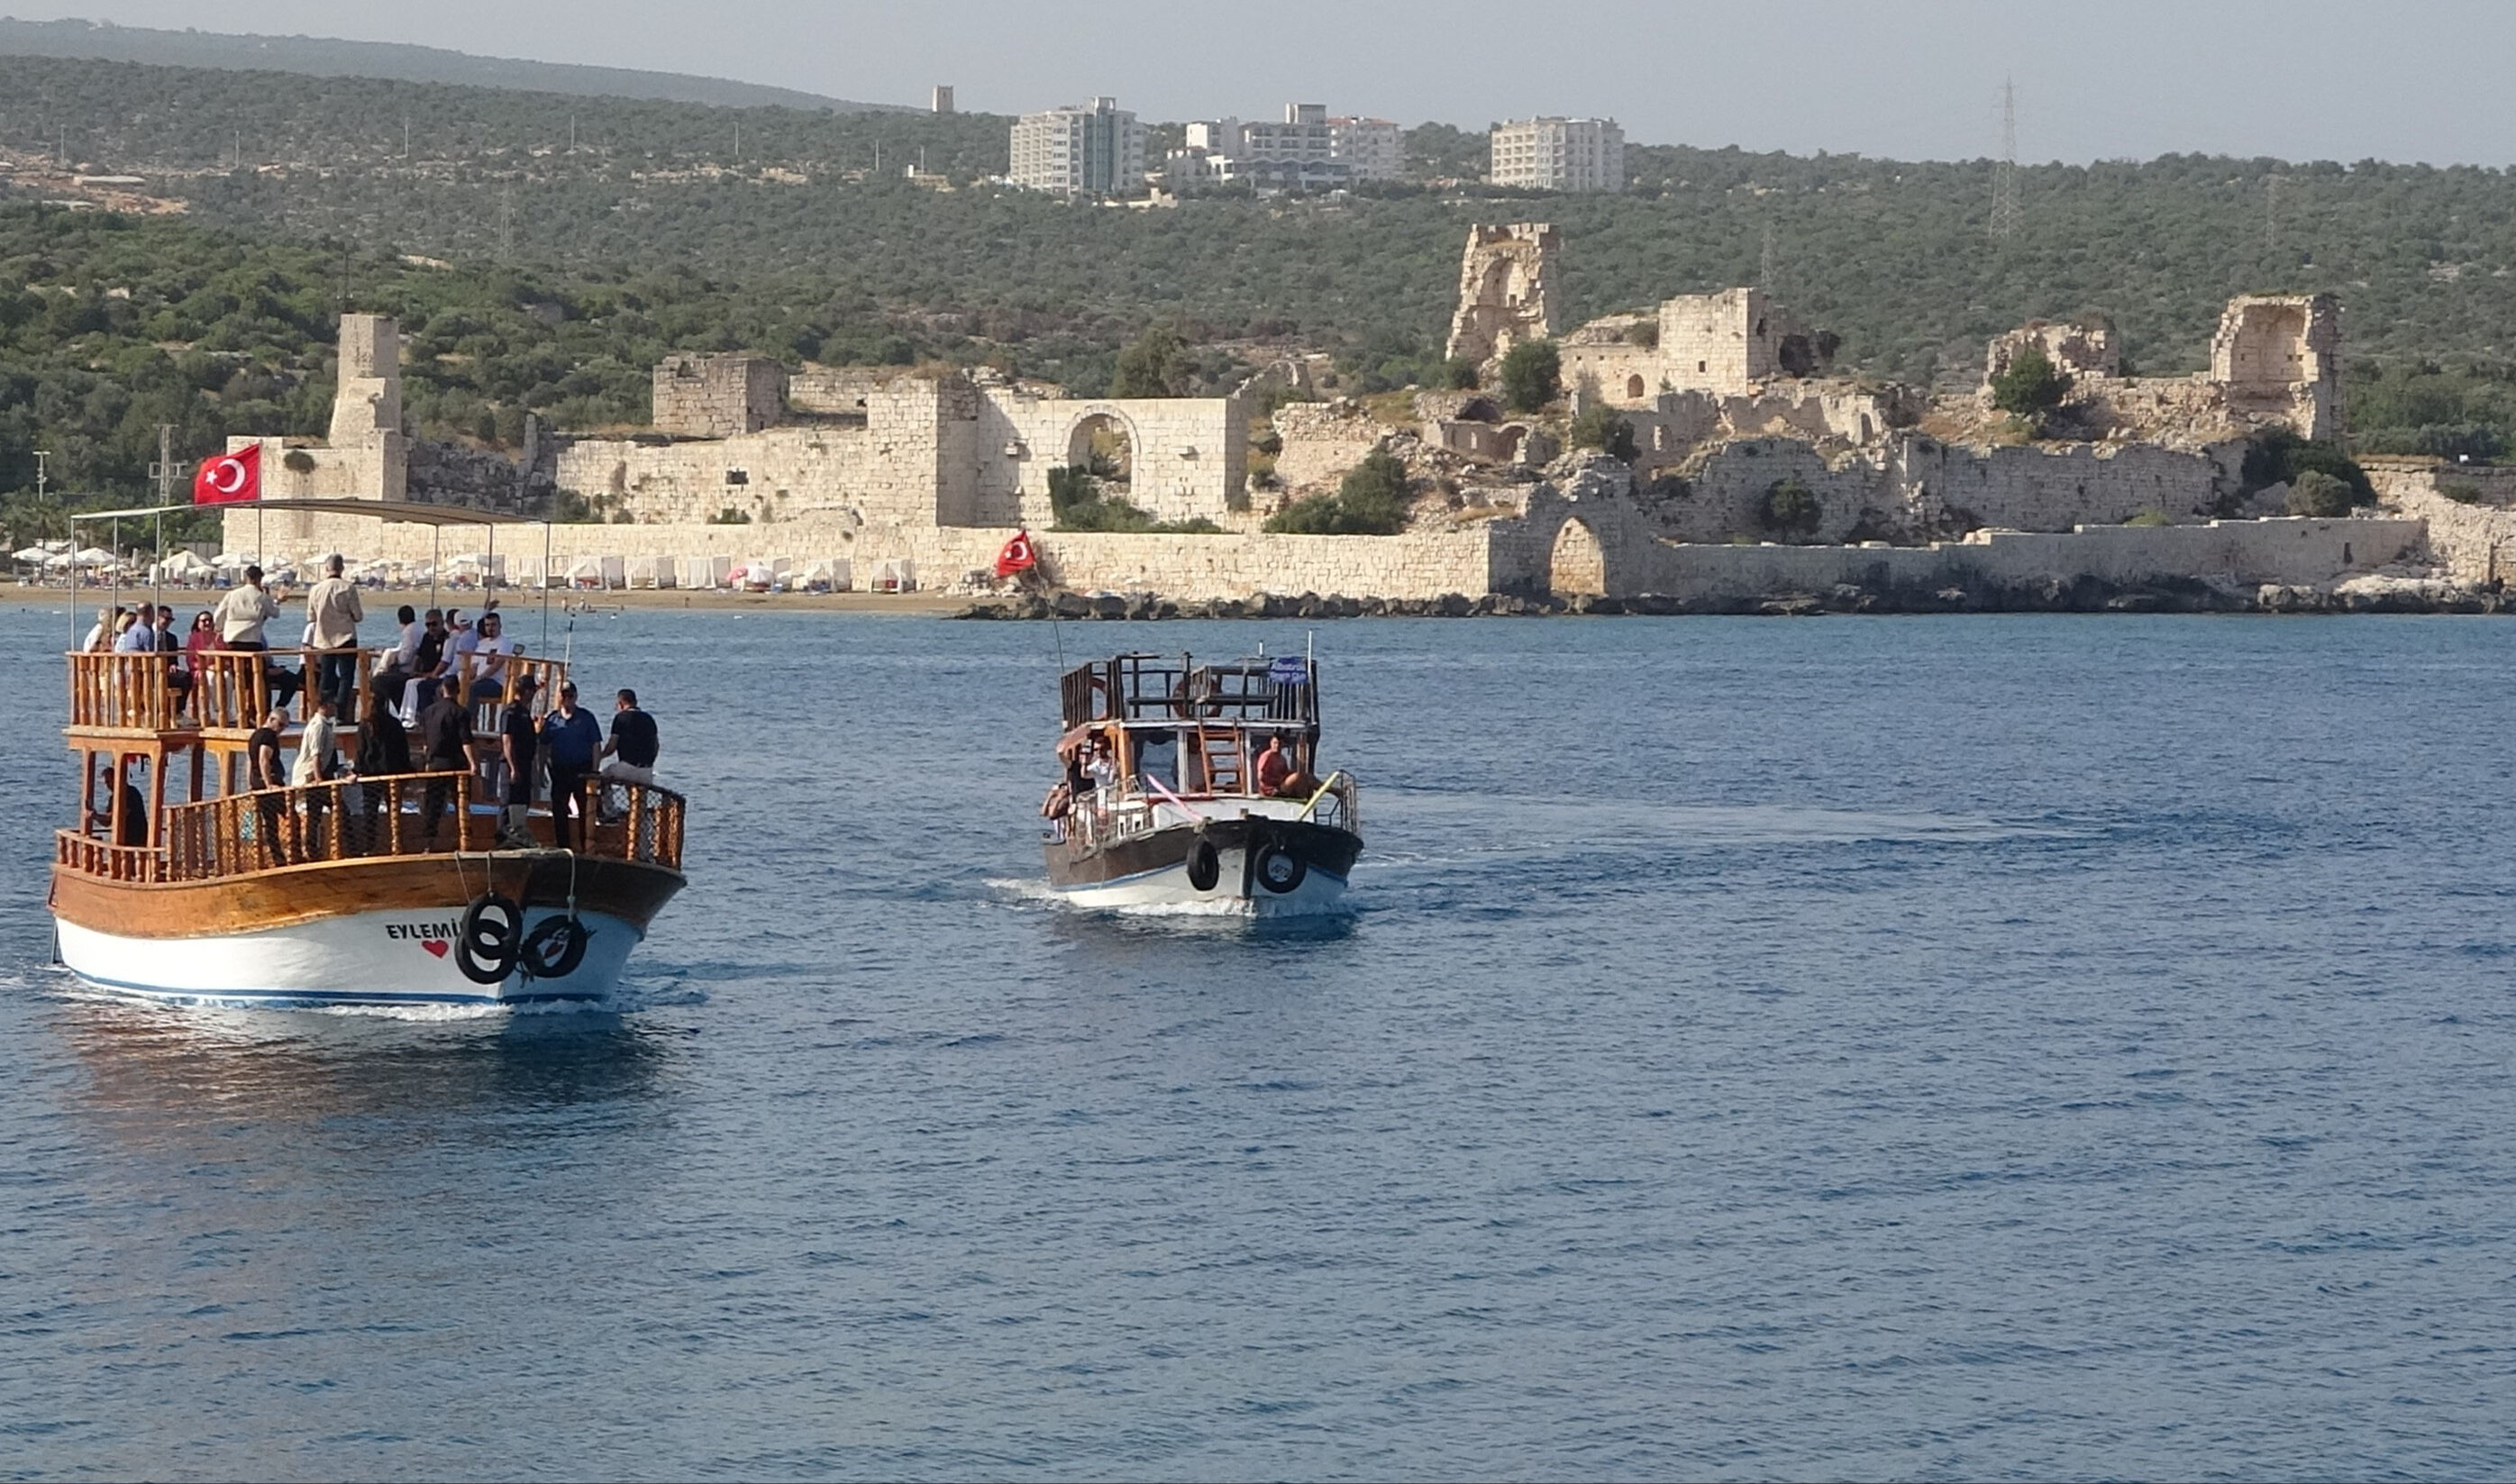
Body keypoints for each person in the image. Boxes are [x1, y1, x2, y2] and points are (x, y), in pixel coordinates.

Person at [214, 564, 298, 714]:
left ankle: (249, 712)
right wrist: (277, 600)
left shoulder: (233, 594)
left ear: (246, 577)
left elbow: (218, 615)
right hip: (251, 643)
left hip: (231, 642)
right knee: (259, 680)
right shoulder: (261, 597)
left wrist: (220, 628)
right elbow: (274, 613)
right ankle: (262, 712)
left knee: (244, 679)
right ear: (259, 579)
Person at [539, 681, 601, 851]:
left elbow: (596, 745)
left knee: (584, 809)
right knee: (559, 810)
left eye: (570, 696)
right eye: (564, 696)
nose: (567, 699)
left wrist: (595, 771)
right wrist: (540, 770)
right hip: (559, 771)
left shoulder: (586, 717)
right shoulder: (552, 719)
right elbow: (543, 746)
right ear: (559, 697)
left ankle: (584, 846)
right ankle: (563, 847)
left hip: (582, 771)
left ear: (576, 697)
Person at [305, 553, 365, 716]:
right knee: (346, 677)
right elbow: (358, 616)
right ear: (342, 568)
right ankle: (340, 712)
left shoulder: (316, 590)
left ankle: (323, 708)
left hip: (323, 639)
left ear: (326, 569)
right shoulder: (348, 588)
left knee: (326, 675)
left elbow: (311, 617)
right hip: (345, 638)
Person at [416, 685, 473, 848]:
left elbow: (426, 741)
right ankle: (463, 840)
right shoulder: (461, 712)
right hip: (456, 764)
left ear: (442, 690)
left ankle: (428, 843)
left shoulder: (428, 712)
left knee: (433, 804)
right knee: (461, 802)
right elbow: (465, 741)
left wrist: (427, 760)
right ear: (457, 691)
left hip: (435, 764)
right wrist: (473, 763)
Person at [496, 673, 542, 849]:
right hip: (511, 764)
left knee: (522, 800)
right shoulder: (511, 712)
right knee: (508, 802)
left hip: (524, 763)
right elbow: (507, 740)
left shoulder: (524, 712)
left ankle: (518, 834)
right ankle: (502, 838)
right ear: (527, 691)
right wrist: (513, 767)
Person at [292, 695, 342, 856]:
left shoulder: (326, 725)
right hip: (313, 777)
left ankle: (315, 848)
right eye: (333, 704)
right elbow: (316, 755)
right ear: (326, 706)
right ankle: (314, 849)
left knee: (317, 813)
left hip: (322, 774)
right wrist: (318, 778)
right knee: (331, 810)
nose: (335, 708)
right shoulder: (318, 726)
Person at [246, 706, 289, 866]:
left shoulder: (255, 735)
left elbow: (250, 763)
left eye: (285, 727)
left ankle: (278, 857)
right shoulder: (268, 735)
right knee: (290, 816)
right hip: (269, 785)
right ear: (271, 720)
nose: (281, 730)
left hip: (257, 784)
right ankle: (293, 853)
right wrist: (269, 784)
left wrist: (251, 783)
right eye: (281, 725)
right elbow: (263, 759)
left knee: (270, 823)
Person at [598, 687, 660, 787]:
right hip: (646, 770)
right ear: (636, 702)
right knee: (640, 797)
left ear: (621, 704)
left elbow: (612, 747)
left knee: (603, 777)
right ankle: (640, 802)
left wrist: (600, 756)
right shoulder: (649, 719)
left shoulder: (620, 718)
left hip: (626, 768)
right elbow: (656, 746)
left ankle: (607, 802)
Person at [466, 610, 515, 705]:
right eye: (487, 625)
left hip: (497, 683)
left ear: (500, 625)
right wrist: (466, 679)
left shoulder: (504, 643)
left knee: (472, 689)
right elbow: (473, 667)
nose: (490, 628)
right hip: (480, 681)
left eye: (493, 625)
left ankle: (472, 719)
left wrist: (478, 679)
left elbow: (496, 665)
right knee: (458, 686)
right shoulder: (482, 644)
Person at [1254, 732, 1297, 797]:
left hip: (1280, 788)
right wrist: (1278, 781)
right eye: (1275, 743)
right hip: (1268, 790)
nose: (1277, 745)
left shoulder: (1282, 759)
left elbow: (1286, 774)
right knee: (1296, 776)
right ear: (1270, 743)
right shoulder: (1267, 756)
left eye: (1279, 743)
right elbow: (1260, 777)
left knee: (1298, 778)